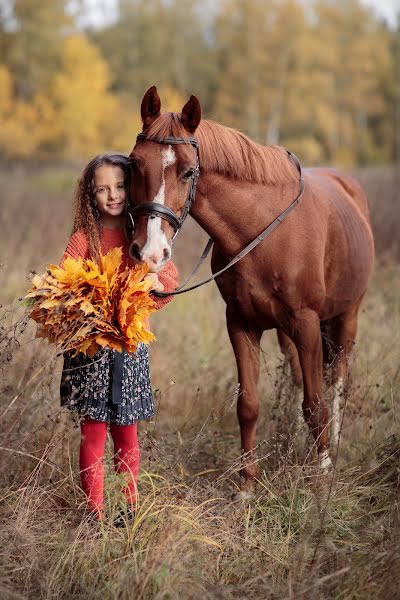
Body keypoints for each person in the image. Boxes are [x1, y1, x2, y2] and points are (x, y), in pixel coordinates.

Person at [59, 153, 178, 523]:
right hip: (91, 351)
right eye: (102, 189)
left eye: (120, 186)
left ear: (132, 187)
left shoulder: (139, 237)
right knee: (93, 433)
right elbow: (63, 284)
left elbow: (169, 280)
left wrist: (157, 284)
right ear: (90, 195)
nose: (113, 195)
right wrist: (84, 302)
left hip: (130, 349)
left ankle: (128, 509)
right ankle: (94, 513)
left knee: (127, 434)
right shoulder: (84, 239)